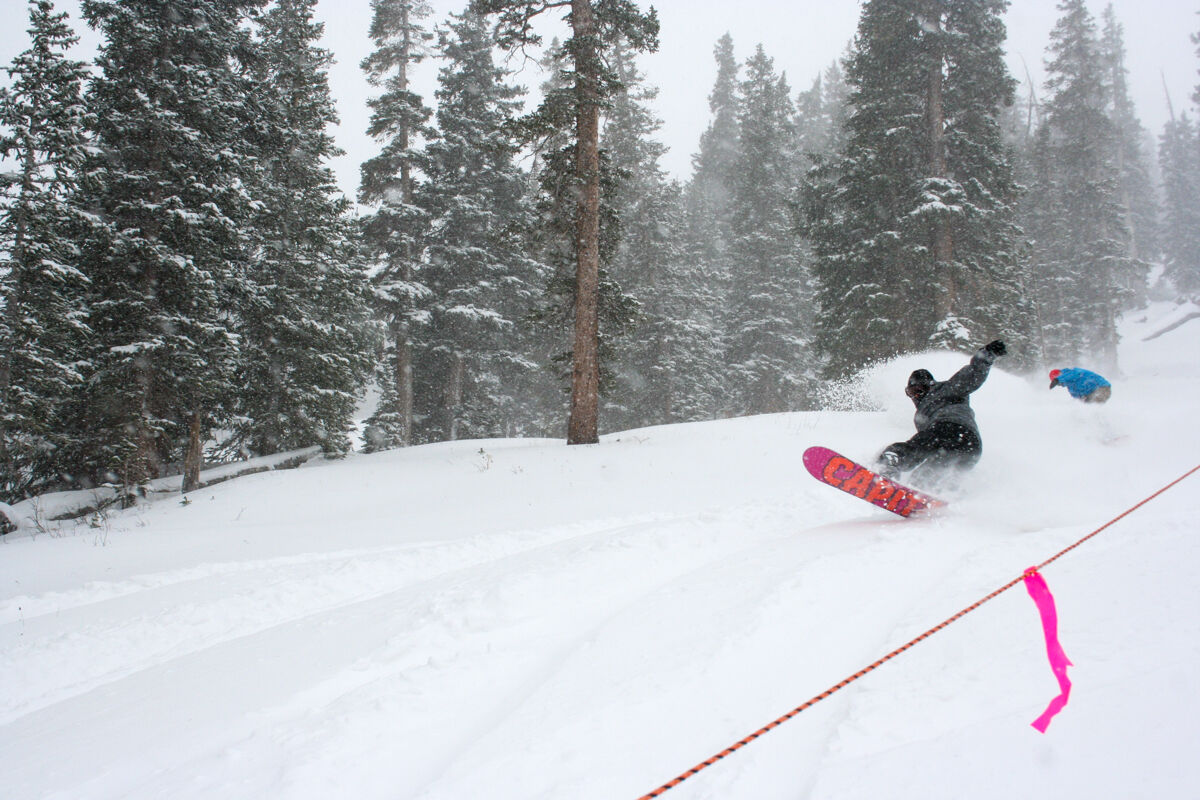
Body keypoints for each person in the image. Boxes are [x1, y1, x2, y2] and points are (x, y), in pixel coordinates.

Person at [877, 340, 1007, 481]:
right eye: (911, 392)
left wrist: (987, 354)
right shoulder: (921, 414)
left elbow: (971, 375)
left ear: (930, 386)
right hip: (970, 448)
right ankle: (936, 495)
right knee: (921, 479)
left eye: (919, 391)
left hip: (952, 430)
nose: (916, 396)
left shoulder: (946, 389)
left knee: (910, 449)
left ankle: (889, 462)